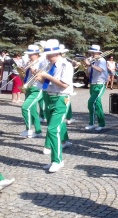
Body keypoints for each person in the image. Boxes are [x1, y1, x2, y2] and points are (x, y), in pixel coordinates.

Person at [35, 39, 74, 173]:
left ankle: (58, 161)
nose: (47, 58)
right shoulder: (49, 65)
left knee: (53, 129)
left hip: (61, 98)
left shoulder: (66, 65)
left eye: (49, 55)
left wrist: (47, 76)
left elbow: (64, 84)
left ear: (57, 54)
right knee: (51, 130)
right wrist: (39, 77)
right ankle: (54, 160)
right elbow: (46, 83)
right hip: (49, 96)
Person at [20, 44, 45, 138]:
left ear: (36, 54)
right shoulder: (28, 62)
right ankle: (38, 131)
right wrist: (22, 71)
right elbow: (24, 76)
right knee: (33, 110)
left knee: (25, 107)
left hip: (37, 88)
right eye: (29, 54)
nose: (29, 56)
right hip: (29, 87)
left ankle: (28, 129)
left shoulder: (41, 62)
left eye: (31, 54)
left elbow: (40, 76)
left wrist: (32, 68)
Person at [84, 45, 108, 131]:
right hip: (93, 84)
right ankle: (98, 123)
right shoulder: (92, 61)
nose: (92, 54)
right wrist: (87, 66)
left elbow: (100, 70)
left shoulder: (102, 60)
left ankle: (95, 123)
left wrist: (90, 64)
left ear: (98, 53)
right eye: (91, 53)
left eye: (94, 53)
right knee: (96, 104)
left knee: (92, 102)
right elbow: (87, 74)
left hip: (100, 84)